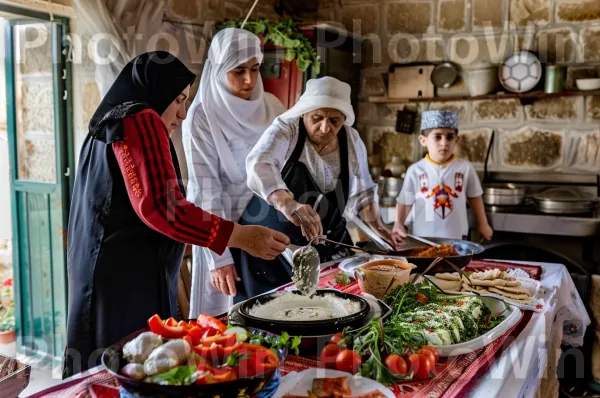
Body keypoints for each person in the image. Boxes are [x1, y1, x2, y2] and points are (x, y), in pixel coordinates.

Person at [64, 51, 289, 378]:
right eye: (178, 100)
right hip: (128, 278)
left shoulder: (109, 124)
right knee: (134, 366)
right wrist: (240, 237)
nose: (182, 114)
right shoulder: (141, 118)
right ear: (157, 92)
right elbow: (162, 208)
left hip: (108, 271)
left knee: (109, 366)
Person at [237, 76, 393, 301]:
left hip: (327, 242)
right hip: (274, 246)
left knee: (338, 303)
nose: (325, 127)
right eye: (317, 118)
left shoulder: (351, 140)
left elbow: (364, 190)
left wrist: (377, 225)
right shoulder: (286, 130)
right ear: (304, 112)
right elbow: (258, 165)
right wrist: (288, 203)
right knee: (276, 313)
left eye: (334, 121)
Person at [183, 28, 285, 316]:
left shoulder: (273, 108)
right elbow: (207, 191)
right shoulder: (202, 117)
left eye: (254, 69)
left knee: (275, 312)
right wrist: (220, 257)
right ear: (219, 68)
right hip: (222, 229)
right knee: (231, 322)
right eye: (238, 71)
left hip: (268, 228)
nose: (249, 80)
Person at [391, 110, 493, 244]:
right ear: (423, 140)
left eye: (450, 137)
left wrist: (483, 224)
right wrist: (398, 223)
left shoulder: (465, 168)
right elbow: (405, 201)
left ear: (457, 139)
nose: (444, 143)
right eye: (437, 137)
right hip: (422, 237)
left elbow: (475, 197)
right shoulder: (415, 170)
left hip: (457, 237)